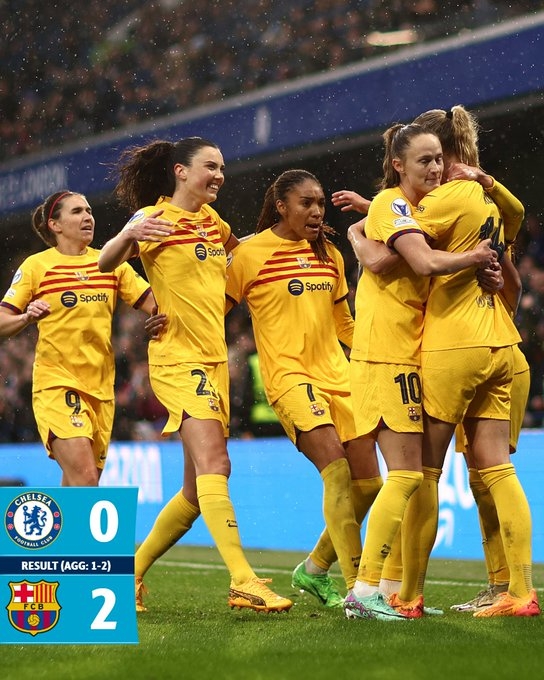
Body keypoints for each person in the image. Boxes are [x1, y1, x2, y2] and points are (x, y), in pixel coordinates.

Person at [97, 136, 292, 614]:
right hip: (178, 360)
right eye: (210, 166)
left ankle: (129, 574)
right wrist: (129, 234)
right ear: (180, 171)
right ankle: (243, 581)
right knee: (216, 465)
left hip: (214, 360)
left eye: (222, 167)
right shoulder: (153, 219)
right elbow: (104, 262)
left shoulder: (211, 221)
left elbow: (243, 253)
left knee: (194, 490)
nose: (219, 175)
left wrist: (288, 237)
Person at [341, 123, 498, 621]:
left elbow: (387, 256)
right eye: (423, 160)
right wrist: (476, 255)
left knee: (409, 476)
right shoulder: (392, 203)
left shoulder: (406, 210)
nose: (434, 168)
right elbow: (424, 262)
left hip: (405, 355)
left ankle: (387, 590)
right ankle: (362, 591)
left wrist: (361, 231)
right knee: (408, 475)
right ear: (398, 165)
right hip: (384, 355)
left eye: (438, 159)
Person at [225, 169, 383, 608]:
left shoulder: (329, 254)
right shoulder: (249, 255)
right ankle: (358, 591)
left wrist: (381, 351)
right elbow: (212, 310)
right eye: (306, 203)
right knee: (336, 472)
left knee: (370, 484)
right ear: (281, 206)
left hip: (341, 377)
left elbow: (343, 323)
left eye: (321, 203)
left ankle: (313, 569)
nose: (316, 211)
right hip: (290, 378)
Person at [0, 190, 156, 486]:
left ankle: (63, 521)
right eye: (77, 211)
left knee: (79, 484)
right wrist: (25, 318)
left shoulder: (109, 264)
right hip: (57, 384)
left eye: (89, 211)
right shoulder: (37, 266)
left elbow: (157, 305)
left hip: (101, 390)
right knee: (85, 478)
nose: (87, 217)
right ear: (55, 225)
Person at [449, 247, 531, 612]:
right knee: (482, 482)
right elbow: (514, 285)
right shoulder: (480, 236)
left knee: (495, 475)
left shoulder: (469, 235)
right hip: (478, 360)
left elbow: (512, 284)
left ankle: (518, 589)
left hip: (492, 361)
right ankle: (501, 586)